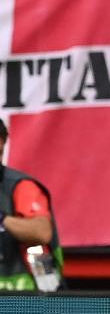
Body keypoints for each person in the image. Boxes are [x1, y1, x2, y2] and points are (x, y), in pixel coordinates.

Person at [0, 120, 63, 291]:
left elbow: (42, 232)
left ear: (1, 143)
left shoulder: (21, 186)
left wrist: (2, 219)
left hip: (28, 301)